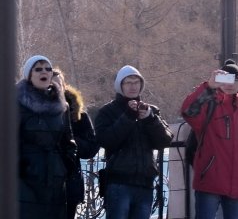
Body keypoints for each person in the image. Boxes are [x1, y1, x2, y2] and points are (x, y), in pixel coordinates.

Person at [181, 59, 238, 219]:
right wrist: (208, 87)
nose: (230, 84)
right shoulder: (209, 104)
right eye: (226, 79)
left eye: (235, 79)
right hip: (210, 183)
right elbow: (188, 111)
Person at [94, 64, 173, 219]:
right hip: (118, 182)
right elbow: (106, 140)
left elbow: (164, 140)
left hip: (145, 183)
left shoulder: (151, 110)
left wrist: (150, 119)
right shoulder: (107, 111)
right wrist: (128, 117)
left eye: (136, 82)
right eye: (128, 82)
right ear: (120, 85)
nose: (133, 87)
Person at [17, 55, 76, 219]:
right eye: (38, 69)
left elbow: (68, 139)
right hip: (26, 180)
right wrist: (21, 166)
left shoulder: (61, 105)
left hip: (55, 178)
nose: (44, 72)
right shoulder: (16, 102)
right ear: (29, 75)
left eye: (47, 68)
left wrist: (67, 163)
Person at [52, 68, 99, 219]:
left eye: (59, 84)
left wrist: (70, 139)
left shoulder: (79, 116)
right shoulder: (36, 114)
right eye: (51, 84)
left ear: (65, 85)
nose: (55, 88)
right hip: (43, 182)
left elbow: (91, 148)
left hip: (70, 181)